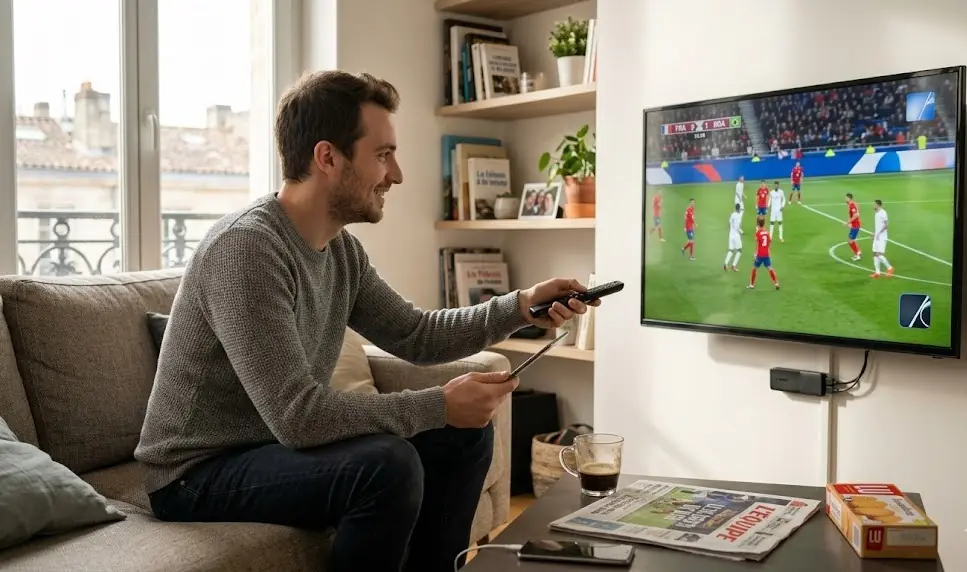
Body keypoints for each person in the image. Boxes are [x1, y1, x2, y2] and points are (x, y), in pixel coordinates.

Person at [133, 70, 599, 572]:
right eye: (382, 155)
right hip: (194, 474)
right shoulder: (247, 249)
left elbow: (415, 334)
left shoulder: (341, 252)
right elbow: (298, 417)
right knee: (386, 465)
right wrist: (438, 404)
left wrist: (519, 304)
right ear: (327, 157)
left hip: (267, 448)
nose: (395, 175)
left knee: (467, 434)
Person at [748, 218, 780, 290]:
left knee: (754, 269)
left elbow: (757, 243)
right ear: (764, 223)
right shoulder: (767, 232)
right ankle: (776, 283)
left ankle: (751, 285)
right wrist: (767, 249)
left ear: (758, 224)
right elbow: (769, 241)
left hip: (759, 255)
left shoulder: (758, 233)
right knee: (770, 268)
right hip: (766, 254)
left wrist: (755, 253)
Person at [871, 199, 894, 278]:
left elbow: (886, 224)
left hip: (882, 237)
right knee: (874, 253)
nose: (873, 205)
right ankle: (877, 273)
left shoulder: (883, 213)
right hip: (877, 236)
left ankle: (890, 268)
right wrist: (875, 233)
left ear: (878, 205)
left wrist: (879, 233)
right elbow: (878, 225)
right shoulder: (876, 213)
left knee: (879, 254)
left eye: (874, 204)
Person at [723, 203, 743, 272]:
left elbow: (730, 222)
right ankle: (734, 265)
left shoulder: (732, 214)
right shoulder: (739, 216)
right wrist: (741, 231)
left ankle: (726, 263)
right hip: (736, 235)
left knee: (731, 250)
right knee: (739, 250)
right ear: (739, 208)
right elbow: (736, 226)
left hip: (731, 234)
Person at [844, 192, 862, 261]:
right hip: (854, 225)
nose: (845, 199)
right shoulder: (852, 204)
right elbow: (857, 212)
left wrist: (847, 223)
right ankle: (858, 252)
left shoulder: (852, 205)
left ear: (849, 198)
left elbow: (856, 215)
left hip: (855, 225)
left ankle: (857, 254)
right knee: (851, 240)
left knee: (850, 241)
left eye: (846, 198)